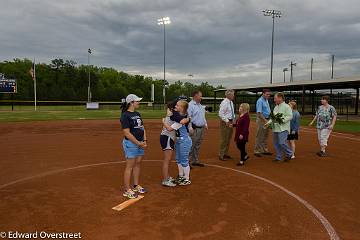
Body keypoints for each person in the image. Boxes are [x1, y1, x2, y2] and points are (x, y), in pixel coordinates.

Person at [120, 94, 147, 199]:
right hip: (131, 143)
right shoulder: (125, 115)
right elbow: (127, 133)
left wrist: (144, 140)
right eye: (137, 101)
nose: (138, 102)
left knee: (138, 163)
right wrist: (138, 143)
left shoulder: (137, 113)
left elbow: (142, 128)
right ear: (131, 102)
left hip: (140, 143)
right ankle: (127, 189)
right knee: (129, 166)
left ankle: (135, 185)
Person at [163, 100, 192, 185]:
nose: (175, 106)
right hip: (179, 141)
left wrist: (163, 122)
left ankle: (186, 178)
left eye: (177, 106)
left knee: (184, 160)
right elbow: (171, 114)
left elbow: (169, 129)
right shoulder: (179, 117)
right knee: (178, 159)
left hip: (184, 141)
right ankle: (181, 176)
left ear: (182, 108)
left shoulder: (182, 120)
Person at [265, 92, 293, 162]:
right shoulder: (276, 107)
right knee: (276, 143)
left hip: (283, 128)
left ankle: (289, 153)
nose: (274, 100)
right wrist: (268, 123)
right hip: (276, 128)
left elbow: (290, 116)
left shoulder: (287, 106)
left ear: (280, 98)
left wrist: (281, 120)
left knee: (282, 142)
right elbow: (273, 117)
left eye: (275, 98)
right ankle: (279, 157)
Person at [188, 90, 208, 167]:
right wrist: (190, 127)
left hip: (201, 128)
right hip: (194, 129)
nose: (201, 97)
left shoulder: (200, 105)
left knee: (197, 145)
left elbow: (202, 116)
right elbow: (188, 117)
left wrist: (205, 123)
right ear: (195, 96)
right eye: (200, 95)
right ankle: (187, 163)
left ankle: (195, 160)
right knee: (191, 145)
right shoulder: (190, 105)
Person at [160, 103, 177, 187]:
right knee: (167, 159)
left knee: (168, 159)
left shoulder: (171, 114)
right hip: (167, 138)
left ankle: (167, 176)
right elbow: (170, 129)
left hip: (168, 137)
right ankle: (165, 179)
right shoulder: (172, 114)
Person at [218, 89, 235, 161]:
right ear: (228, 95)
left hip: (230, 122)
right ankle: (221, 154)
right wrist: (227, 121)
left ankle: (225, 153)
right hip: (225, 122)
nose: (234, 95)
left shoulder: (231, 102)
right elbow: (221, 114)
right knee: (224, 139)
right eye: (233, 94)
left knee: (228, 138)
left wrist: (233, 119)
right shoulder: (224, 102)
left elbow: (231, 113)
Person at [254, 89, 272, 157]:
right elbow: (259, 113)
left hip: (267, 119)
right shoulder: (260, 101)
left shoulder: (266, 100)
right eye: (267, 94)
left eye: (269, 94)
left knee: (265, 136)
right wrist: (265, 121)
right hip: (262, 120)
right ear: (263, 94)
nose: (268, 95)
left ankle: (264, 150)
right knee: (260, 135)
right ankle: (257, 151)